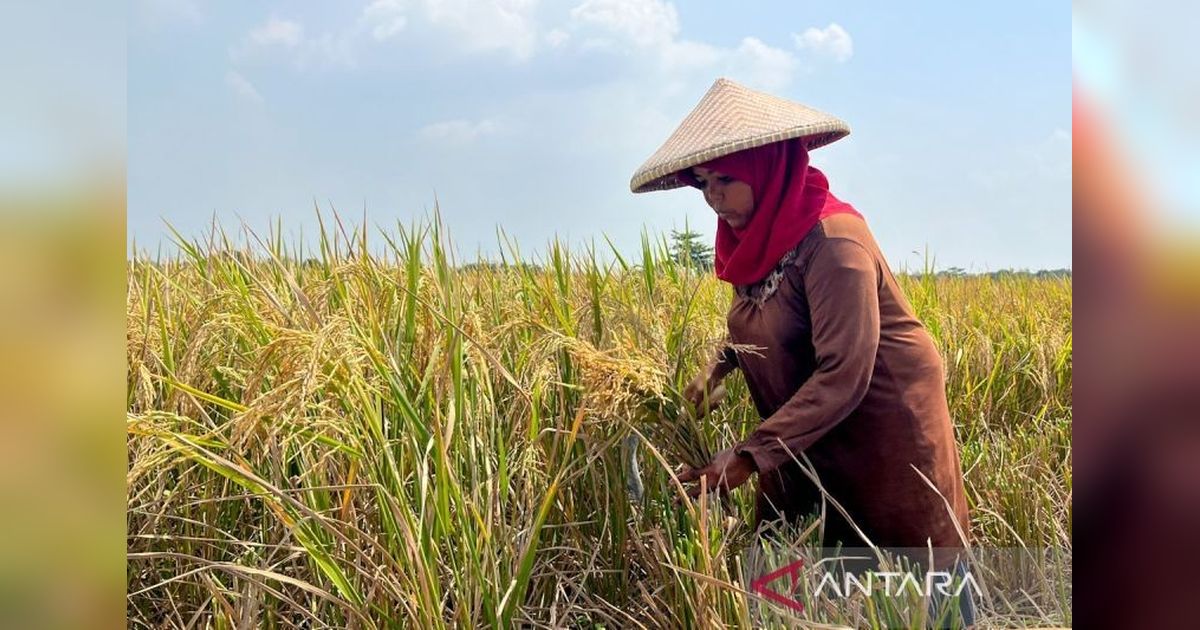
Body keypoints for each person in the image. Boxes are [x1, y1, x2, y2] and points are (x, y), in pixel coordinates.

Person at [631, 78, 974, 624]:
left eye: (726, 179)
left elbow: (844, 371)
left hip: (880, 426)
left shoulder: (835, 244)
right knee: (791, 567)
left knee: (912, 574)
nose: (713, 197)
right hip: (804, 429)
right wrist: (718, 367)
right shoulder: (758, 239)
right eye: (704, 183)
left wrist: (749, 456)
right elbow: (768, 319)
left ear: (769, 169)